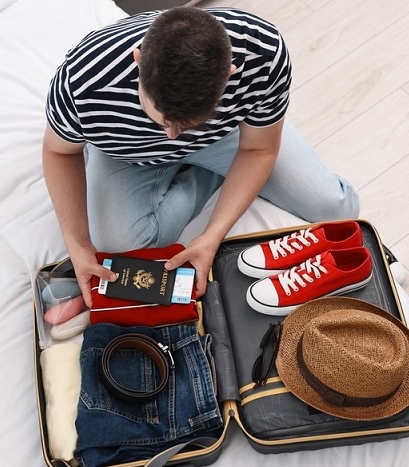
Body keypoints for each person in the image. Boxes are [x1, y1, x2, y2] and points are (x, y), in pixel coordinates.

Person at [42, 6, 359, 307]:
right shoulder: (83, 80)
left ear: (229, 74)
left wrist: (212, 235)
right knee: (120, 247)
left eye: (188, 123)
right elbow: (58, 152)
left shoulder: (262, 51)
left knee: (335, 208)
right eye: (161, 118)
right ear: (138, 61)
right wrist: (79, 244)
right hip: (127, 156)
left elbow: (258, 148)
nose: (172, 136)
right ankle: (217, 174)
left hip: (230, 138)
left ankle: (225, 167)